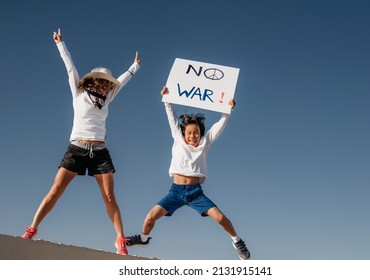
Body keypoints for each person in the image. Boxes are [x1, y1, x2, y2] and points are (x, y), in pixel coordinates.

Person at [21, 28, 141, 255]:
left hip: (100, 150)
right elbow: (69, 67)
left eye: (107, 84)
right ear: (92, 80)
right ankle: (32, 228)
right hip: (76, 148)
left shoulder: (108, 96)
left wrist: (134, 67)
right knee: (56, 190)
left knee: (108, 196)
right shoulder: (78, 92)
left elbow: (122, 82)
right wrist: (60, 44)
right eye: (100, 82)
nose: (103, 86)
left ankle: (120, 240)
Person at [126, 86, 251, 260]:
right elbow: (171, 118)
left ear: (201, 134)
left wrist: (227, 110)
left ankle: (237, 241)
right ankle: (144, 239)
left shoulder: (204, 143)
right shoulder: (178, 140)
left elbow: (218, 128)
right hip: (175, 192)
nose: (193, 136)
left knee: (221, 218)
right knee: (149, 218)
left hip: (195, 193)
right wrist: (167, 99)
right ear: (184, 134)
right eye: (190, 133)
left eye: (197, 133)